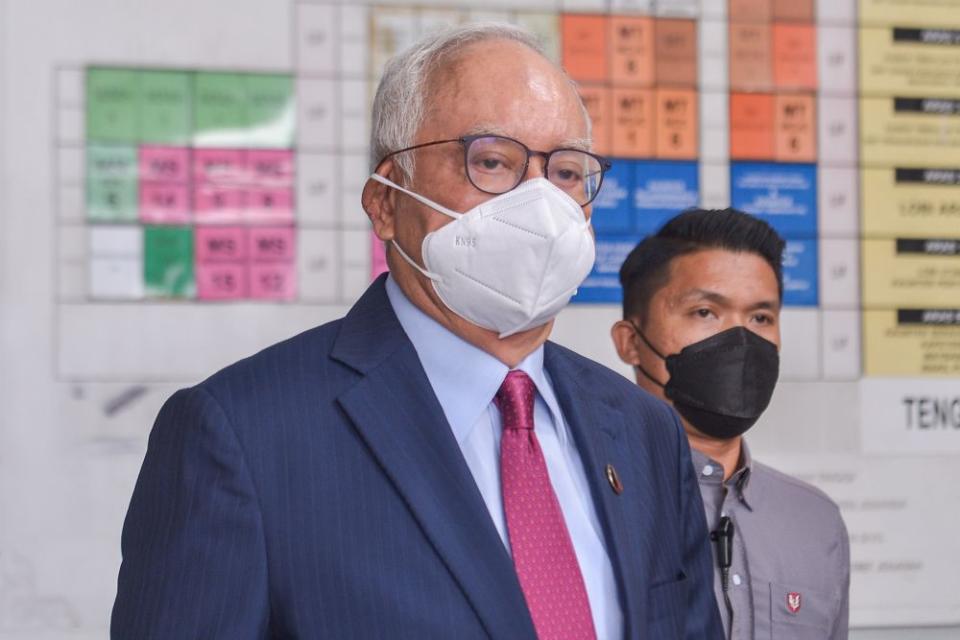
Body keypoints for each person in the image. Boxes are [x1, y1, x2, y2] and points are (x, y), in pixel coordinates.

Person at [111, 24, 723, 640]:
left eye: (565, 172)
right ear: (384, 202)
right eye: (491, 161)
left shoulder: (643, 428)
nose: (541, 205)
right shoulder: (242, 435)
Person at [610, 208, 850, 639]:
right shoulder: (583, 498)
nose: (740, 340)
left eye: (761, 318)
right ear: (630, 342)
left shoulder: (815, 520)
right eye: (705, 312)